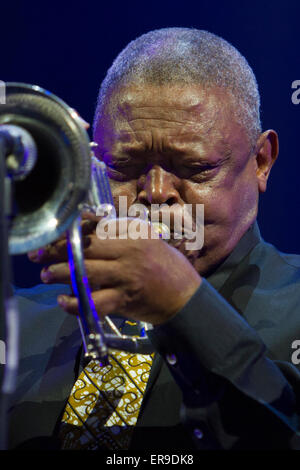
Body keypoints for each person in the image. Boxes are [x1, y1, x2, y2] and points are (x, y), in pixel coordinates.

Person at [8, 27, 300, 450]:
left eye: (195, 167)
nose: (156, 192)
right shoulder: (18, 321)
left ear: (261, 162)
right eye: (125, 166)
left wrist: (185, 305)